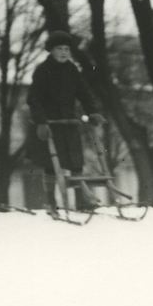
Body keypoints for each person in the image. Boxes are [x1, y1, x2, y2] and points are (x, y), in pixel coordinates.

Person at [27, 31, 105, 215]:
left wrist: (92, 111)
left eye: (67, 49)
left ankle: (81, 201)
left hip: (69, 122)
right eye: (59, 49)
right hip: (49, 124)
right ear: (51, 51)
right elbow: (33, 99)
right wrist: (41, 122)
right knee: (51, 165)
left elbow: (84, 93)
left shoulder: (72, 70)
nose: (63, 52)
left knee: (76, 163)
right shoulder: (42, 70)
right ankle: (51, 202)